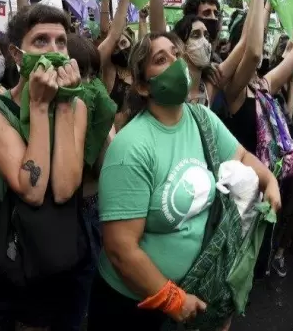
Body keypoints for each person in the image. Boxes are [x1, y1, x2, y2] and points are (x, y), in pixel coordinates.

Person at [89, 32, 281, 331]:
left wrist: (269, 181)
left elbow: (241, 156)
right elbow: (120, 248)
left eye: (176, 55)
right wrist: (172, 299)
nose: (176, 63)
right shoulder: (132, 147)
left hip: (192, 296)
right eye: (161, 59)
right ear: (142, 86)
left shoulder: (200, 118)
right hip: (135, 309)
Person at [0, 4, 89, 329]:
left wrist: (64, 104)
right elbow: (32, 190)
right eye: (41, 41)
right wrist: (39, 108)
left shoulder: (77, 105)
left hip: (64, 256)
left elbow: (66, 188)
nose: (54, 51)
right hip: (19, 258)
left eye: (61, 42)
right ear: (17, 54)